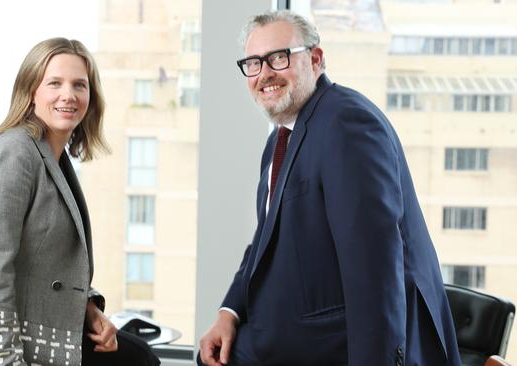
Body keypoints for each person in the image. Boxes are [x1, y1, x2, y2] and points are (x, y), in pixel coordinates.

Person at [198, 10, 462, 366]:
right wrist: (228, 313)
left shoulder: (347, 124)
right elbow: (263, 242)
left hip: (340, 345)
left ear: (316, 59)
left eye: (279, 57)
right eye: (254, 63)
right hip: (290, 333)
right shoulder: (281, 138)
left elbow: (376, 269)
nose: (265, 74)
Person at [0, 37, 159, 366]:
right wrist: (6, 360)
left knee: (137, 355)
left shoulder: (54, 157)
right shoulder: (14, 153)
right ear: (31, 92)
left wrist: (90, 310)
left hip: (43, 328)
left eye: (79, 85)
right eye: (54, 83)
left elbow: (47, 264)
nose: (68, 95)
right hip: (2, 343)